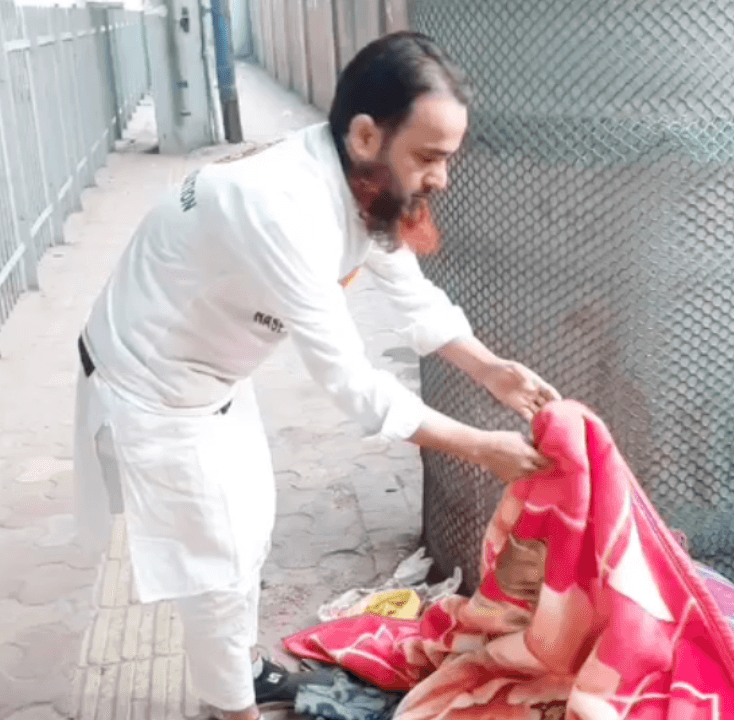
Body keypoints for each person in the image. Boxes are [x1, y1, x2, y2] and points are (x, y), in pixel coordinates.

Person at [72, 32, 559, 720]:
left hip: (214, 379)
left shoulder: (364, 187)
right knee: (218, 563)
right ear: (366, 134)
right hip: (154, 389)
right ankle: (230, 709)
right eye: (429, 157)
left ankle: (238, 670)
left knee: (252, 528)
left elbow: (410, 294)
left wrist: (493, 371)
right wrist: (482, 448)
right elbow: (353, 384)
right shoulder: (281, 207)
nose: (442, 179)